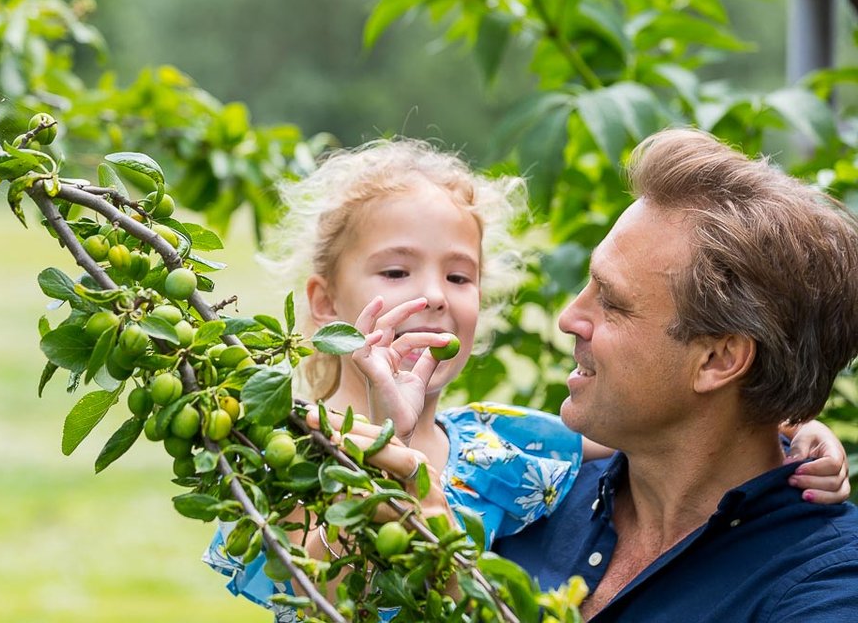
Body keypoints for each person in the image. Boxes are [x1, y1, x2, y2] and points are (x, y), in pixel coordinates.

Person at [204, 136, 851, 618]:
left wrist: (787, 425)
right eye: (396, 271)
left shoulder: (819, 588)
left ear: (718, 361)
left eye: (611, 301)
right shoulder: (542, 492)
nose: (569, 317)